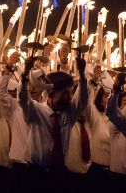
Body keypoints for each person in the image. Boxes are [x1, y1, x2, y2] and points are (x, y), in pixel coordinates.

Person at [20, 55, 88, 192]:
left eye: (71, 93)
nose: (69, 98)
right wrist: (26, 72)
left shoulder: (68, 114)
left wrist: (81, 73)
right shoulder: (35, 111)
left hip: (59, 174)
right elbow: (22, 97)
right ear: (51, 94)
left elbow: (82, 99)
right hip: (35, 175)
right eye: (64, 94)